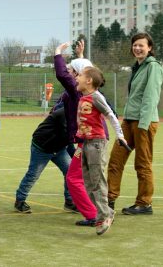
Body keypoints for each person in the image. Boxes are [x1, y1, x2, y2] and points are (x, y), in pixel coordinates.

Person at [107, 32, 163, 215]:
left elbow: (151, 96)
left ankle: (144, 203)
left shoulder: (153, 67)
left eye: (141, 45)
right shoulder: (137, 67)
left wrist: (143, 125)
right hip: (130, 120)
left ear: (150, 48)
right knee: (115, 160)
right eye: (135, 45)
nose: (137, 48)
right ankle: (108, 200)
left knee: (142, 163)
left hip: (144, 122)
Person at [75, 66, 126, 235]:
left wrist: (120, 135)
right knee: (88, 182)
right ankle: (103, 213)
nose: (76, 77)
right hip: (85, 143)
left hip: (96, 144)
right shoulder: (83, 97)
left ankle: (106, 215)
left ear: (89, 81)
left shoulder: (96, 97)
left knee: (97, 181)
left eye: (80, 75)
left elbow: (111, 115)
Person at [54, 40, 98, 226]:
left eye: (74, 72)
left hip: (89, 142)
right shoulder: (88, 89)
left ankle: (97, 214)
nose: (72, 75)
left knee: (78, 178)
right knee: (82, 177)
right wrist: (80, 57)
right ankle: (96, 213)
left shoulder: (77, 91)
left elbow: (63, 75)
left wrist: (57, 54)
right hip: (84, 141)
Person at [14, 106, 76, 213]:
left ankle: (69, 201)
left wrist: (74, 156)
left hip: (59, 147)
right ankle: (20, 200)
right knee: (33, 174)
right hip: (42, 147)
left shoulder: (76, 114)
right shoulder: (64, 114)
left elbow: (69, 141)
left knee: (70, 171)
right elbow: (68, 136)